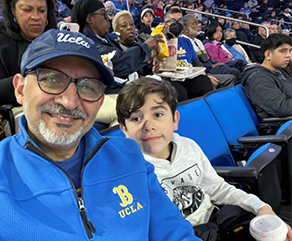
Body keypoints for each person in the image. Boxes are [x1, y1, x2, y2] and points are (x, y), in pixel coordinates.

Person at [0, 28, 201, 241]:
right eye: (51, 79)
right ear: (20, 89)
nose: (70, 101)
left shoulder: (129, 157)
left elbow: (175, 234)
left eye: (88, 86)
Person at [116, 76, 292, 241]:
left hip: (218, 223)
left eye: (158, 115)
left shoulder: (188, 146)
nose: (149, 126)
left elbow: (218, 188)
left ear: (175, 120)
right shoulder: (126, 174)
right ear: (124, 129)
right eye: (136, 118)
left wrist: (261, 207)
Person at [0, 0, 57, 107]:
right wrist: (43, 77)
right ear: (12, 10)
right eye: (27, 10)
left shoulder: (57, 39)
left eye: (42, 11)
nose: (36, 17)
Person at [72, 0, 162, 87]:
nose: (108, 17)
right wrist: (145, 47)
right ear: (90, 19)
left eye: (132, 24)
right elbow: (119, 63)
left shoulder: (105, 39)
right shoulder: (86, 43)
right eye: (104, 13)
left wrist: (146, 64)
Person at [163, 8, 214, 101]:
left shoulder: (186, 41)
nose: (176, 24)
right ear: (165, 23)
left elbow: (197, 63)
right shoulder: (160, 41)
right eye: (173, 21)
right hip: (170, 78)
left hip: (188, 75)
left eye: (179, 21)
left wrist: (206, 76)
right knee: (180, 93)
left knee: (205, 82)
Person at [241, 33, 292, 119]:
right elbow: (282, 108)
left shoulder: (280, 70)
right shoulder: (258, 78)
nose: (288, 55)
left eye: (290, 50)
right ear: (268, 54)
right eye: (282, 51)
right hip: (281, 126)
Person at [181, 13, 240, 85]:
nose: (199, 25)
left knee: (237, 66)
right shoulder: (183, 42)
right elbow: (195, 64)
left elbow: (207, 60)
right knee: (233, 73)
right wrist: (212, 66)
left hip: (210, 68)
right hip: (203, 71)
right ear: (186, 28)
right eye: (194, 23)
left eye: (198, 22)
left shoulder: (198, 41)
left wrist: (215, 64)